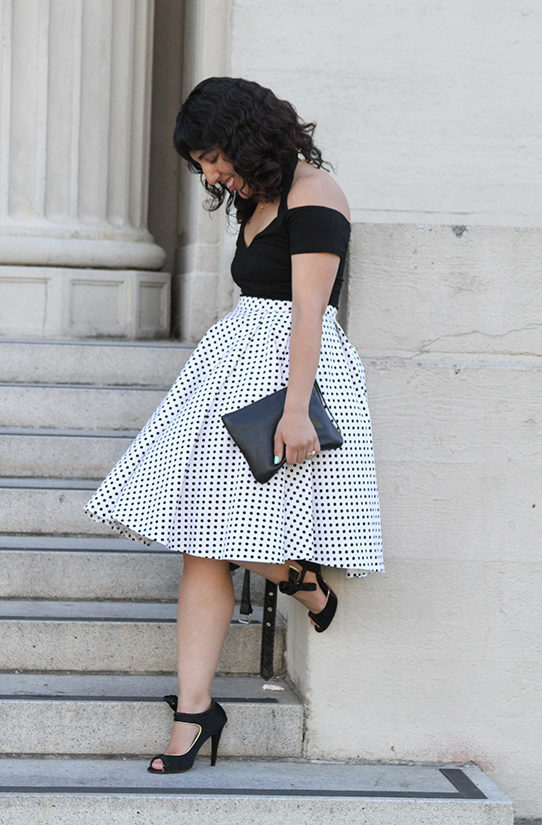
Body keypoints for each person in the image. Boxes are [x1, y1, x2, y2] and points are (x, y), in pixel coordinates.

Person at [84, 76, 384, 774]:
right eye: (202, 165)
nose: (211, 174)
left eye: (214, 158)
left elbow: (310, 313)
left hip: (285, 378)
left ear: (249, 134)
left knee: (224, 528)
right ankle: (195, 709)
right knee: (200, 536)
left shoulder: (316, 197)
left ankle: (303, 581)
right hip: (231, 368)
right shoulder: (257, 195)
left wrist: (294, 408)